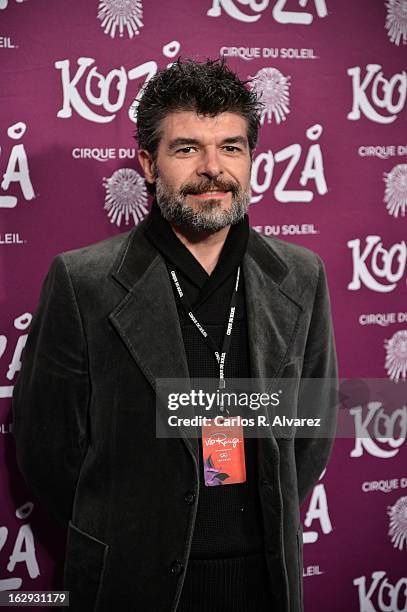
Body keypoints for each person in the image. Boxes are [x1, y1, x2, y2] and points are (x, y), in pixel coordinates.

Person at [12, 58, 339, 612]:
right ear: (148, 162)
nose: (214, 168)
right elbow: (49, 449)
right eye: (188, 148)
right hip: (132, 582)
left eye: (231, 147)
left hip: (264, 580)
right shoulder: (84, 280)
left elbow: (311, 430)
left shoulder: (302, 274)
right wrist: (129, 528)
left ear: (252, 158)